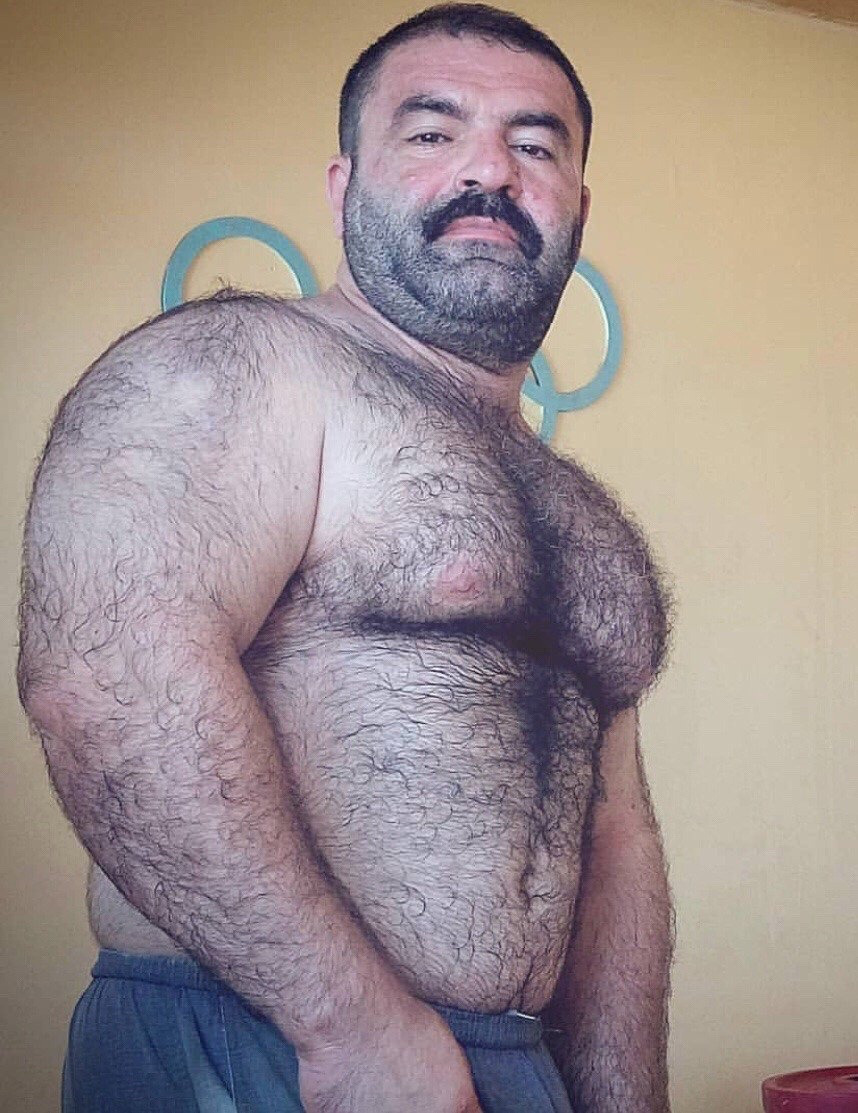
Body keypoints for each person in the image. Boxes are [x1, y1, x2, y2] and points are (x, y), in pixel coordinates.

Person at [17, 5, 673, 1111]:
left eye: (534, 143)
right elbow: (107, 680)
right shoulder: (243, 364)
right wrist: (351, 1027)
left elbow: (619, 836)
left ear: (576, 206)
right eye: (433, 133)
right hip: (274, 1042)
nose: (490, 170)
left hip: (518, 1067)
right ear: (343, 185)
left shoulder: (576, 511)